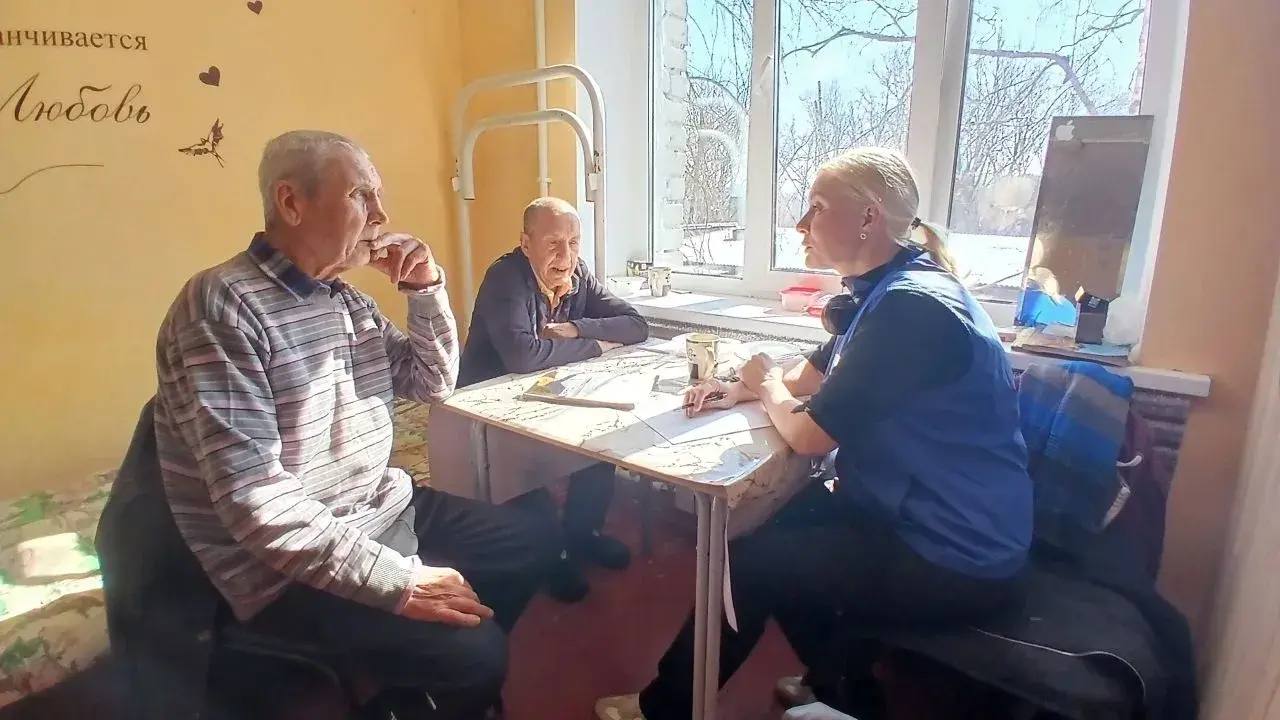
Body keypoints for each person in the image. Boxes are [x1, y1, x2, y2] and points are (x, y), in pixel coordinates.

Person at [595, 147, 1032, 720]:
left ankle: (665, 709)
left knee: (757, 566)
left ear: (869, 217)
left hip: (955, 551)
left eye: (818, 207)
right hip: (920, 515)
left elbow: (809, 436)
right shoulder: (889, 290)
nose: (801, 224)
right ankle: (832, 686)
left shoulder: (912, 310)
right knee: (771, 529)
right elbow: (812, 373)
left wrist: (766, 385)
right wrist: (736, 387)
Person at [153, 130, 558, 720]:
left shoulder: (344, 301)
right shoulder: (221, 305)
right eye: (361, 195)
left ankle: (407, 693)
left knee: (537, 542)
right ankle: (428, 684)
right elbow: (256, 505)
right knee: (478, 657)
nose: (382, 216)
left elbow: (431, 383)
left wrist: (425, 291)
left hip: (379, 510)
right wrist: (400, 583)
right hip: (282, 566)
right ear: (292, 203)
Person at [457, 196, 649, 601]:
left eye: (574, 242)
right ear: (526, 243)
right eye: (553, 244)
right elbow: (523, 356)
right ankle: (552, 556)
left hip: (546, 393)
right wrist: (597, 346)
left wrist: (577, 329)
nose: (566, 256)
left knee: (600, 441)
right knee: (523, 472)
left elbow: (636, 325)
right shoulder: (506, 278)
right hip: (487, 404)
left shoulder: (578, 273)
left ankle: (583, 535)